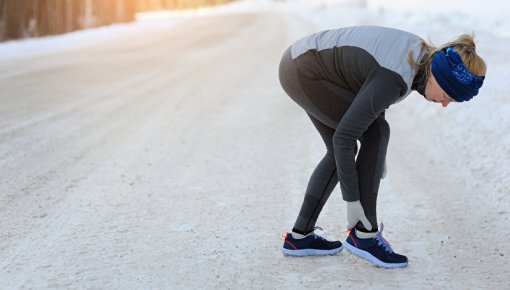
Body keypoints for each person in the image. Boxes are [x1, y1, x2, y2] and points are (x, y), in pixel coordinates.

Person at [278, 25, 486, 268]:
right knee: (373, 134)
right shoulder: (398, 75)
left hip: (302, 65)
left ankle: (299, 237)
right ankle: (364, 235)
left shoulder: (419, 59)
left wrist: (375, 158)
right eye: (449, 96)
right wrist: (353, 201)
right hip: (305, 71)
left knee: (363, 140)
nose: (444, 105)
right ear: (439, 77)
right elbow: (346, 136)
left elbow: (372, 95)